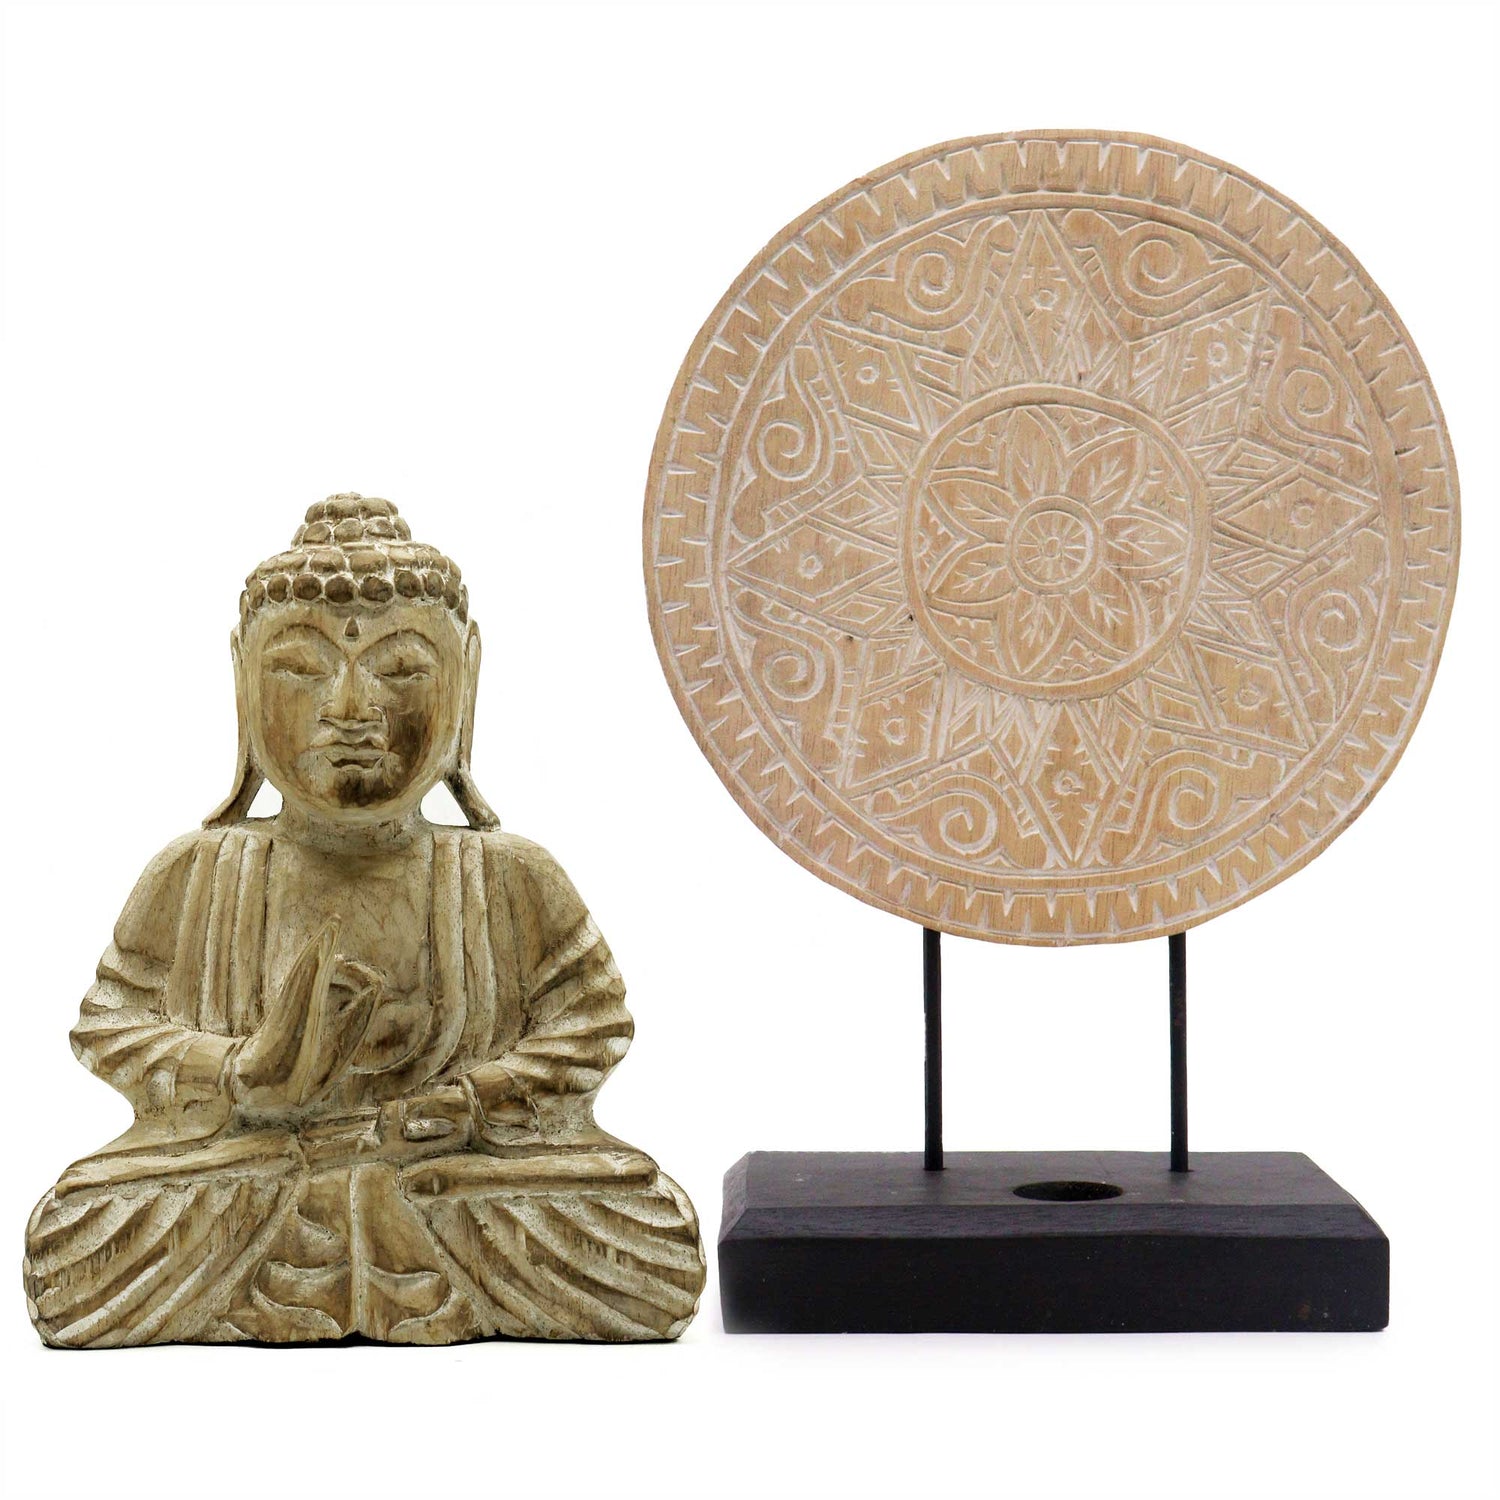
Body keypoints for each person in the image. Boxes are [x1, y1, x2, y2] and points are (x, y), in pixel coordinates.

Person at [24, 495, 705, 1346]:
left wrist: (471, 1102)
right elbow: (110, 1028)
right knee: (78, 1234)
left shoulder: (507, 877)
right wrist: (238, 1075)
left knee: (644, 1231)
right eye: (300, 669)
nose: (350, 707)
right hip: (253, 1172)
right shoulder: (198, 875)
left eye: (402, 669)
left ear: (466, 683)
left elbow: (592, 1027)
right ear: (242, 684)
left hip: (448, 1176)